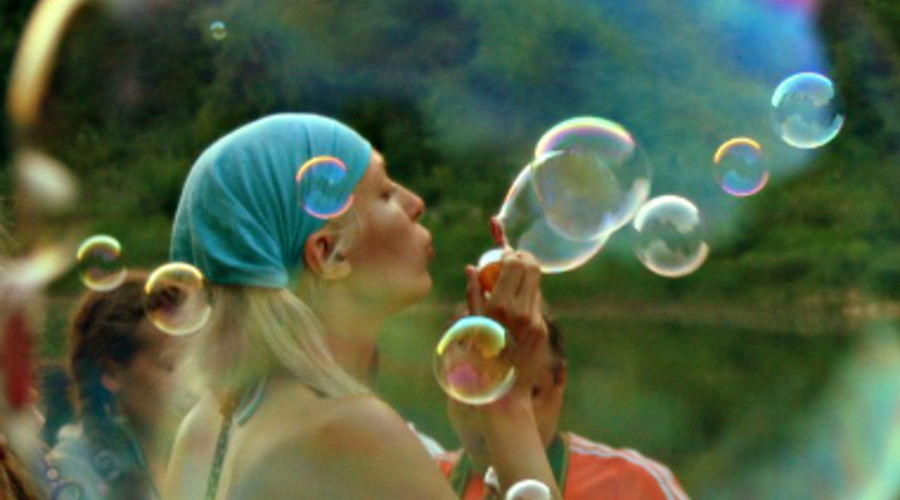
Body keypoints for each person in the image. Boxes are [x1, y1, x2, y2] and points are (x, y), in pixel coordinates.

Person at [163, 113, 562, 500]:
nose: (416, 203)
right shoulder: (349, 429)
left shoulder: (209, 425)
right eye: (385, 194)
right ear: (328, 253)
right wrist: (509, 402)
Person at [437, 317, 690, 500]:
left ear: (560, 380)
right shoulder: (424, 480)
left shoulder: (631, 484)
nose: (498, 419)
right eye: (475, 397)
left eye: (529, 392)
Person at [45, 272, 187, 500]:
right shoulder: (69, 476)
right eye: (170, 364)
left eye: (196, 362)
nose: (192, 380)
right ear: (112, 373)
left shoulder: (203, 457)